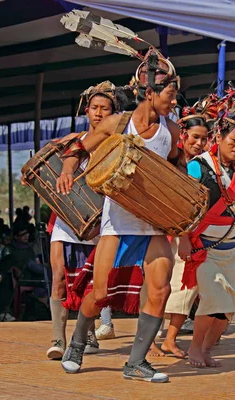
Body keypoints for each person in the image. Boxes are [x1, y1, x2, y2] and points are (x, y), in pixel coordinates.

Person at [56, 48, 181, 383]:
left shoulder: (172, 130)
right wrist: (68, 170)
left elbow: (175, 167)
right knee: (99, 294)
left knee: (160, 290)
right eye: (170, 94)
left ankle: (136, 363)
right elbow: (78, 147)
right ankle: (77, 343)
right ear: (150, 93)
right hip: (118, 221)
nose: (174, 101)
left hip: (154, 223)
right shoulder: (117, 123)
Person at [178, 114, 235, 367]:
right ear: (218, 137)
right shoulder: (198, 166)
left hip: (232, 249)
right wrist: (183, 238)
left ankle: (206, 349)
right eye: (234, 140)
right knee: (214, 298)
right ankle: (194, 347)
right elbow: (183, 207)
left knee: (227, 309)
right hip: (204, 248)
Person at [46, 80, 125, 360]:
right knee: (58, 277)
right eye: (94, 107)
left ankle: (87, 330)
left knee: (91, 283)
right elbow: (43, 165)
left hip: (99, 225)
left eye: (105, 108)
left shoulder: (117, 146)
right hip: (65, 221)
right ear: (87, 110)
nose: (99, 113)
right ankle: (58, 338)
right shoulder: (72, 142)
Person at [157, 106, 211, 358]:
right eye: (195, 137)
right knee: (163, 287)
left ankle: (170, 338)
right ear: (183, 137)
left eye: (204, 138)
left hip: (193, 234)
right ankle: (156, 340)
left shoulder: (207, 166)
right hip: (169, 233)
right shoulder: (170, 164)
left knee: (186, 287)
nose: (199, 143)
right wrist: (182, 236)